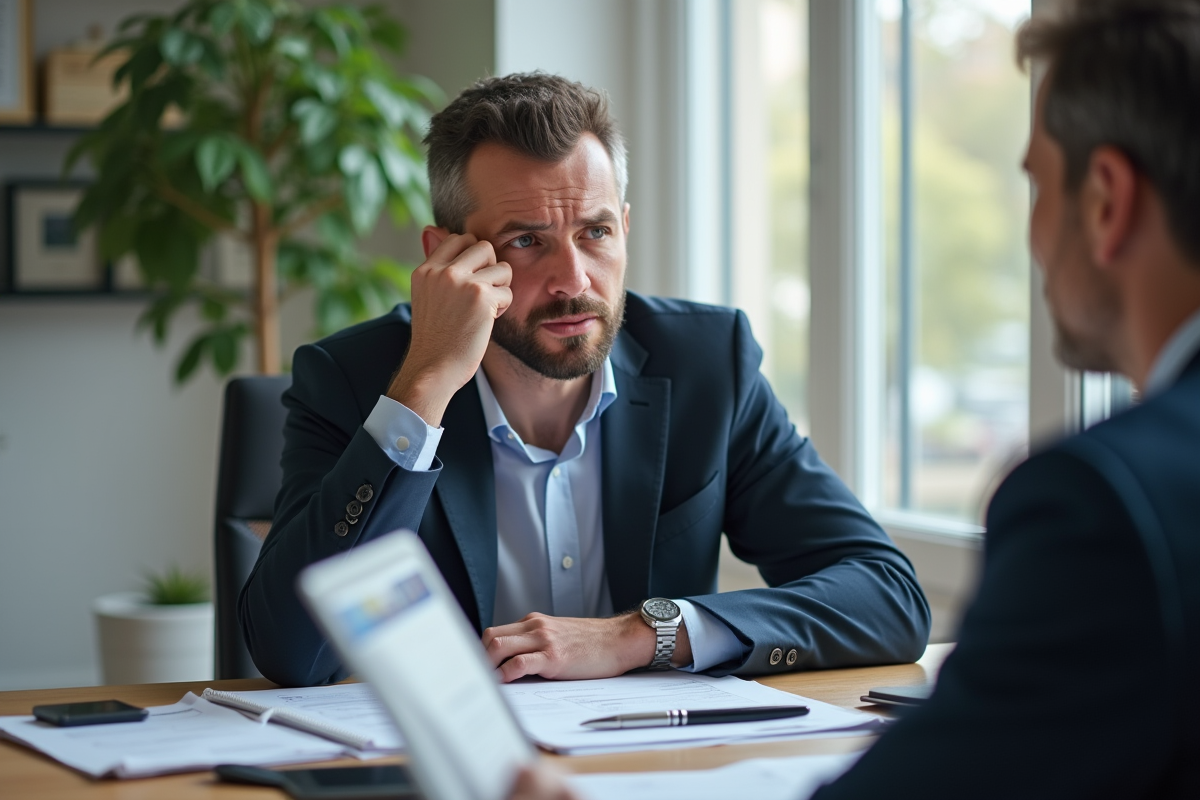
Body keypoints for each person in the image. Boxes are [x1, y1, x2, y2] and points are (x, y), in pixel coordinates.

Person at [511, 0, 1200, 797]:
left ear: (1107, 201)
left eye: (1038, 187)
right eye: (525, 239)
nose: (1035, 236)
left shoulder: (1105, 503)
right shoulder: (359, 378)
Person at [238, 73, 930, 689]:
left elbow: (887, 597)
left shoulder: (706, 365)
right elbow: (294, 652)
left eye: (595, 233)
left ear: (625, 229)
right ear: (446, 255)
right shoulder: (356, 380)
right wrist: (423, 386)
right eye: (526, 241)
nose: (573, 281)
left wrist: (640, 634)